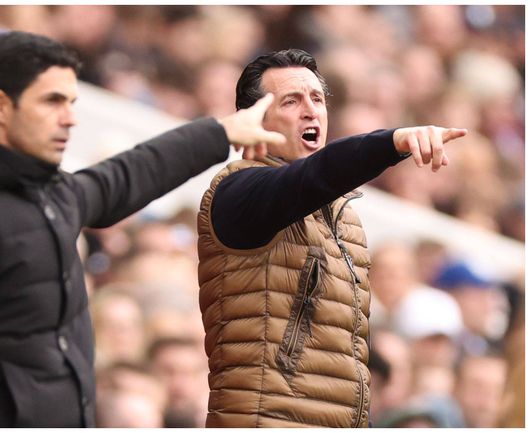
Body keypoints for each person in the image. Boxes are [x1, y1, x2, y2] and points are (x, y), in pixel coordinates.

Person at [0, 30, 283, 428]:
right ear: (2, 106)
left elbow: (129, 174)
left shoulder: (51, 194)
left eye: (71, 102)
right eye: (52, 101)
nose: (70, 117)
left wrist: (221, 133)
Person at [196, 49, 467, 427]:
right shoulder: (237, 193)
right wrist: (391, 142)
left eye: (318, 99)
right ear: (253, 120)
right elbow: (314, 176)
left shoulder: (346, 219)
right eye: (291, 101)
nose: (311, 110)